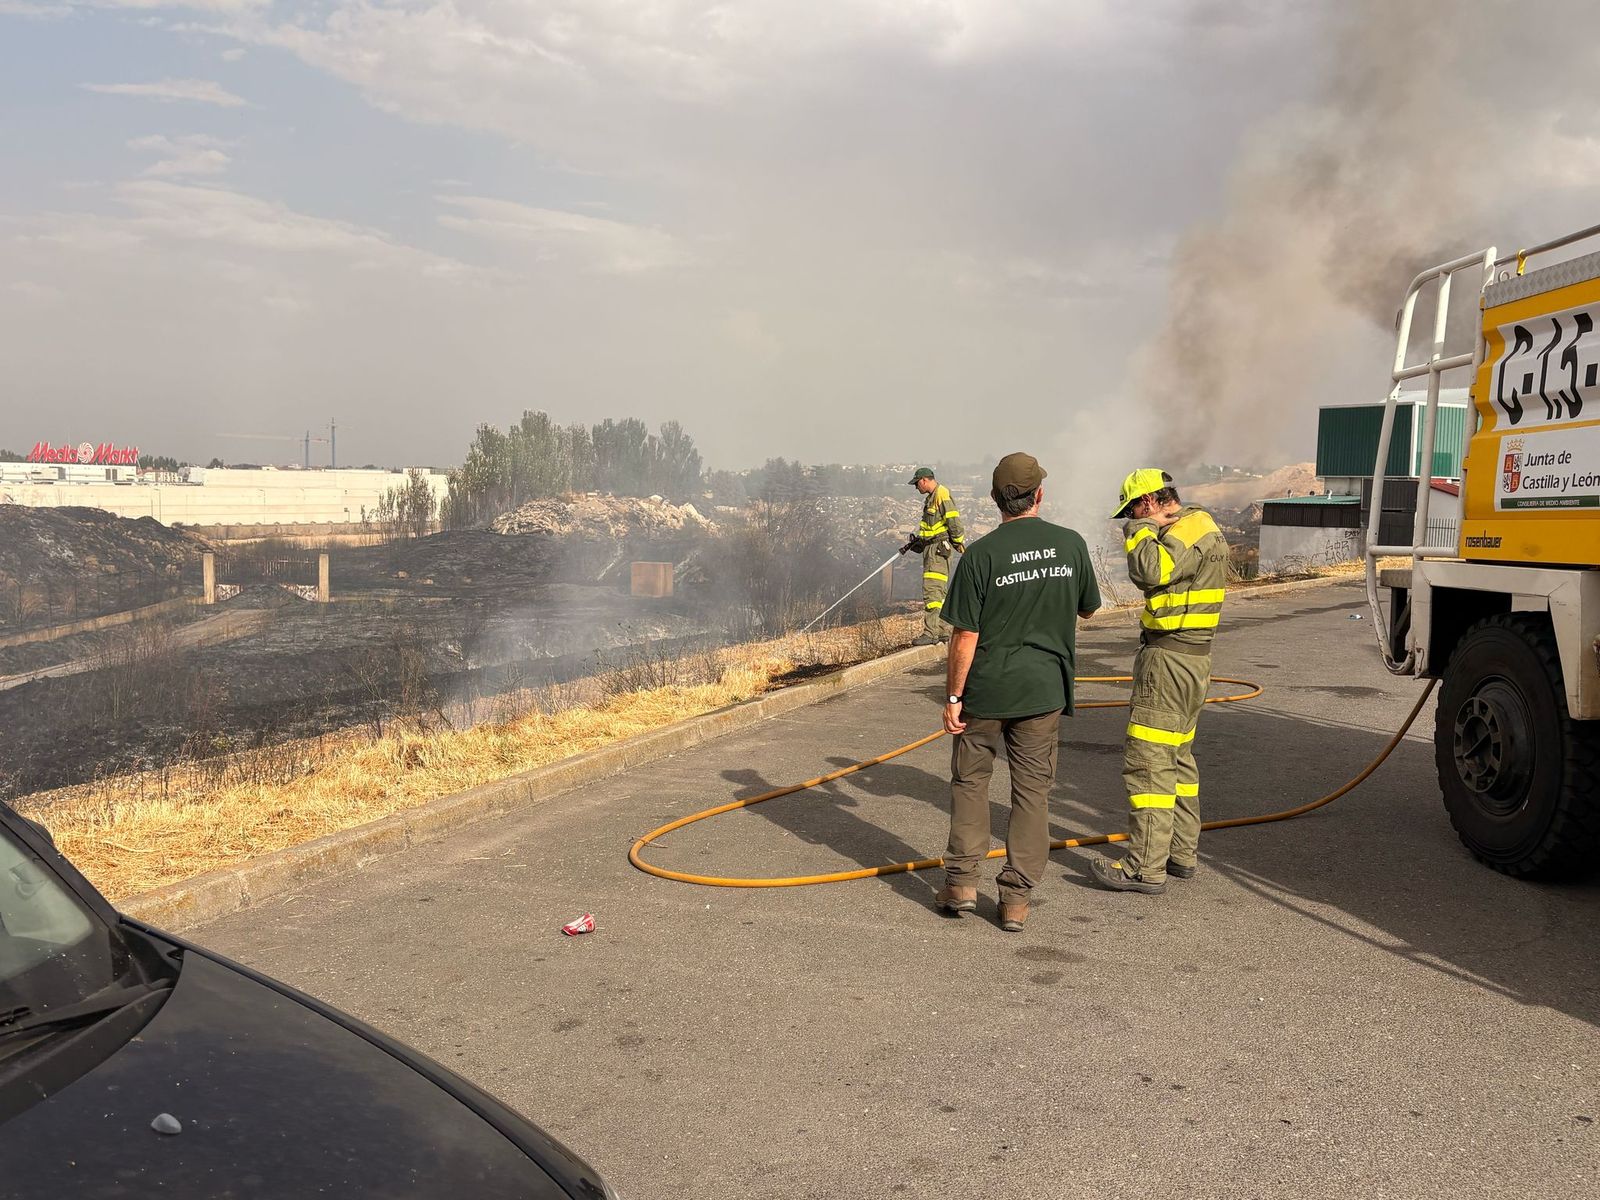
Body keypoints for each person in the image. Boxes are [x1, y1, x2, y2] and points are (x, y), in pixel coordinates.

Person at [935, 453, 1101, 931]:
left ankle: (962, 884)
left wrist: (952, 698)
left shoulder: (981, 555)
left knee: (970, 783)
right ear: (1039, 495)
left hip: (986, 691)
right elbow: (1088, 609)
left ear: (994, 500)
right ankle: (1016, 900)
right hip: (1043, 690)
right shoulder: (1070, 545)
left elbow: (964, 635)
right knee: (1032, 792)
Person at [1091, 469, 1230, 895]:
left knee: (1149, 763)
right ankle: (1180, 854)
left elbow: (1150, 571)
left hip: (1168, 660)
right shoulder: (1200, 526)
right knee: (1179, 760)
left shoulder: (1183, 531)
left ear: (1148, 501)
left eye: (1132, 509)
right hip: (1192, 659)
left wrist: (1138, 530)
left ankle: (1143, 868)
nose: (1130, 517)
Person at [907, 467, 965, 646]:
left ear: (924, 480)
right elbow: (932, 526)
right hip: (932, 548)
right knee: (940, 592)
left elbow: (953, 520)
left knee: (932, 590)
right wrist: (920, 541)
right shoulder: (931, 498)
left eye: (917, 483)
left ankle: (931, 633)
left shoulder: (941, 494)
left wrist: (957, 541)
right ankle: (941, 631)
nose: (916, 487)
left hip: (937, 551)